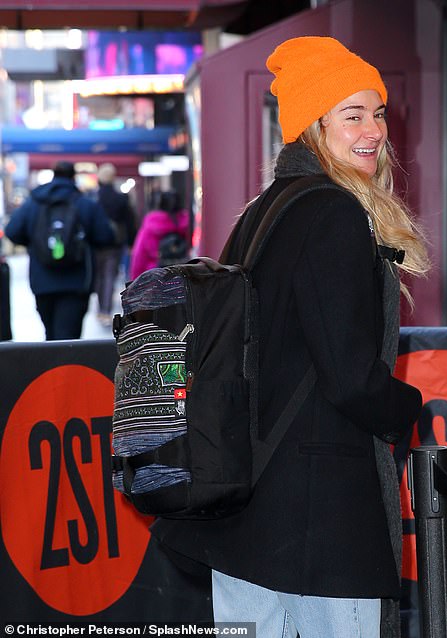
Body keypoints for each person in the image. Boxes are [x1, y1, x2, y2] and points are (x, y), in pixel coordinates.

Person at [151, 36, 430, 637]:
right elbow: (350, 377)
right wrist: (411, 408)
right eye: (352, 115)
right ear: (310, 127)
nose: (374, 130)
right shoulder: (334, 215)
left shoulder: (264, 211)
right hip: (319, 523)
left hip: (245, 513)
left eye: (377, 112)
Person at [5, 160, 114, 340]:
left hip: (42, 282)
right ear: (73, 177)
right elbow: (106, 236)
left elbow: (12, 231)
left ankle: (51, 365)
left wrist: (35, 243)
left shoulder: (34, 203)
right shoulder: (85, 204)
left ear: (53, 175)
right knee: (69, 340)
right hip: (76, 283)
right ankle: (65, 367)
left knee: (51, 336)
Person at [93, 162, 136, 326]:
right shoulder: (120, 199)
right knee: (109, 276)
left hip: (95, 243)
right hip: (114, 243)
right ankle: (105, 310)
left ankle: (99, 308)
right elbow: (130, 221)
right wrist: (131, 242)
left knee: (98, 276)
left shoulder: (94, 198)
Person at [128, 189, 190, 279]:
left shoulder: (151, 224)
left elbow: (139, 256)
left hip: (155, 275)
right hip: (182, 274)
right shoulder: (186, 224)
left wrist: (134, 281)